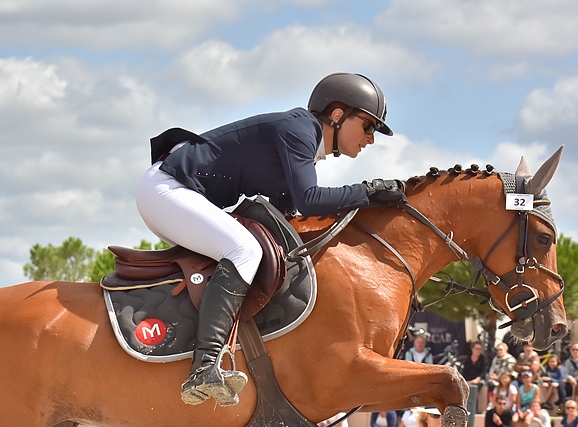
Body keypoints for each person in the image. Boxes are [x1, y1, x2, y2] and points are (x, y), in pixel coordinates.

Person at [138, 73, 404, 406]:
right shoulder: (300, 129)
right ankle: (204, 366)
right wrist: (365, 192)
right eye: (368, 126)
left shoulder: (304, 144)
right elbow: (309, 199)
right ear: (337, 114)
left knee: (260, 251)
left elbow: (287, 215)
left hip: (176, 194)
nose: (371, 139)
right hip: (167, 190)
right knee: (244, 249)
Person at [459, 341, 487, 412]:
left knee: (474, 388)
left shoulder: (483, 359)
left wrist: (476, 380)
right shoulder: (468, 359)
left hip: (478, 380)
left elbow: (484, 372)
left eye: (479, 349)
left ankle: (475, 409)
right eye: (476, 348)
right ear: (472, 349)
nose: (478, 351)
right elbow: (464, 372)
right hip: (468, 380)